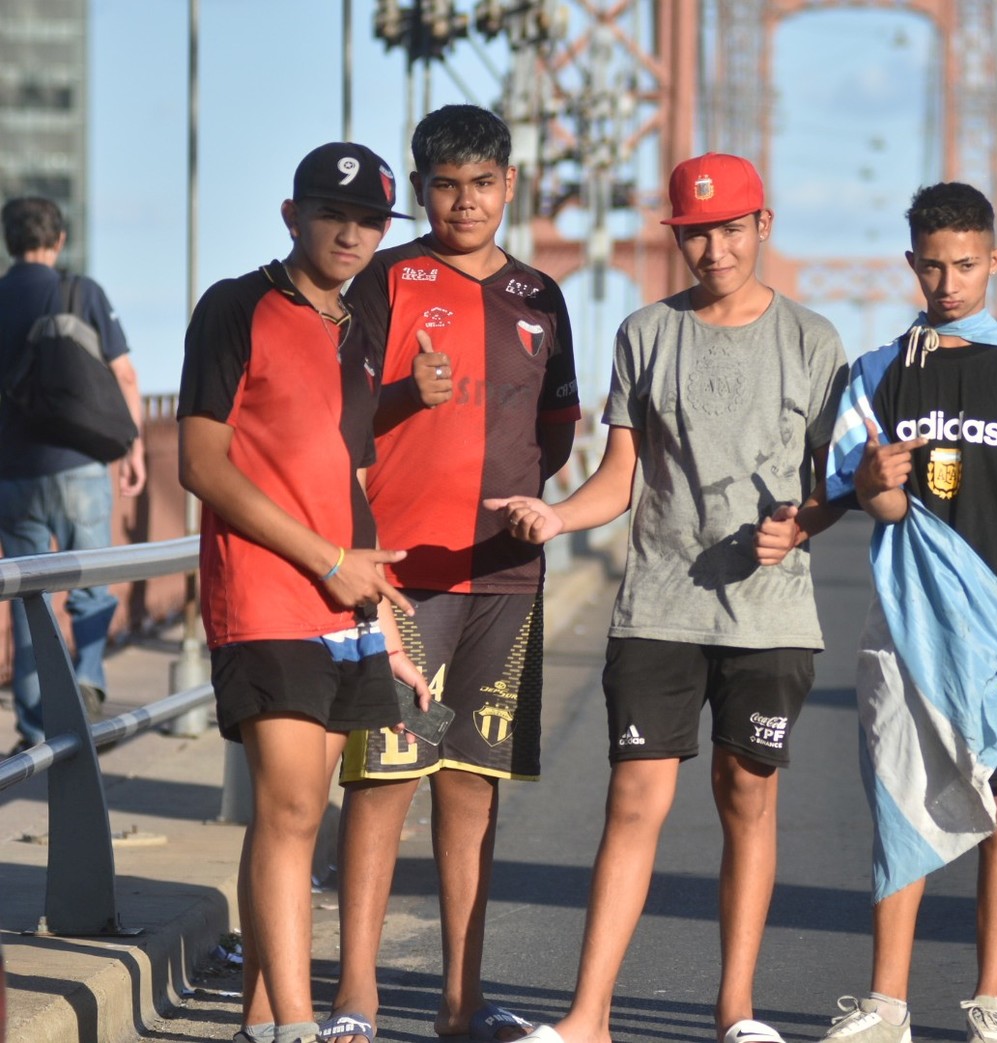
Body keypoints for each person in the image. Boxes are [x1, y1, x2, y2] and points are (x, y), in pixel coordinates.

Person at [486, 152, 848, 1043]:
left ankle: (736, 1013)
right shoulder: (644, 334)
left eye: (730, 229)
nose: (713, 249)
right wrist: (559, 515)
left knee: (746, 796)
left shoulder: (814, 341)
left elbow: (836, 483)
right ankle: (587, 1020)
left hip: (770, 613)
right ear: (678, 237)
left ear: (762, 227)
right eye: (696, 233)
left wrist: (801, 524)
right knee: (632, 802)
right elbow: (620, 476)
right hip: (658, 604)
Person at [817, 182, 997, 1043]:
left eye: (966, 265)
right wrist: (873, 487)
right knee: (900, 798)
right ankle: (887, 1005)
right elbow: (871, 502)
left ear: (995, 260)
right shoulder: (873, 374)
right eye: (933, 266)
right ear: (911, 263)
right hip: (907, 622)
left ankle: (988, 1006)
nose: (949, 282)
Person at [329, 104, 580, 1043]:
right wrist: (404, 399)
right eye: (444, 185)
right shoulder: (386, 279)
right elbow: (333, 418)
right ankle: (356, 998)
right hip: (403, 580)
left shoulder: (540, 295)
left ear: (509, 186)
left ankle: (459, 1004)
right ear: (420, 191)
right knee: (385, 780)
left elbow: (555, 432)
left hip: (504, 580)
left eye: (482, 184)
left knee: (470, 786)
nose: (464, 201)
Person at [176, 142, 420, 1043]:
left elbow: (343, 469)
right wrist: (326, 561)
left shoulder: (358, 331)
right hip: (265, 593)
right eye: (333, 214)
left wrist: (376, 603)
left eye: (368, 221)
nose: (351, 233)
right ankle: (298, 1026)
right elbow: (200, 462)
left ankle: (260, 1020)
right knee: (286, 810)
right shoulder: (235, 306)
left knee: (295, 823)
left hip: (343, 602)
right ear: (292, 215)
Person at [0, 197, 145, 755]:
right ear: (58, 239)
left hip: (13, 472)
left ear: (10, 241)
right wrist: (129, 447)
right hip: (82, 465)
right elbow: (125, 375)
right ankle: (87, 679)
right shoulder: (81, 291)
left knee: (27, 598)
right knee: (91, 584)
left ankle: (38, 730)